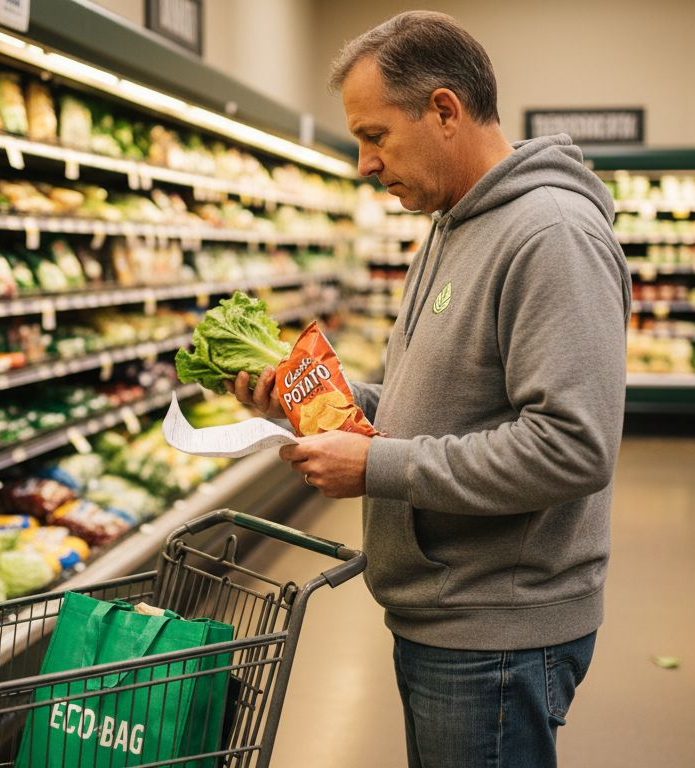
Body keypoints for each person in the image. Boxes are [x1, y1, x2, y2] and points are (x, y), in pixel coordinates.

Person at [225, 10, 631, 768]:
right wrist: (312, 402)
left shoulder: (551, 235)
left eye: (374, 136)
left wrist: (375, 467)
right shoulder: (451, 223)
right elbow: (444, 406)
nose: (362, 164)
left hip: (497, 630)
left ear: (444, 110)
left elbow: (573, 448)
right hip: (445, 612)